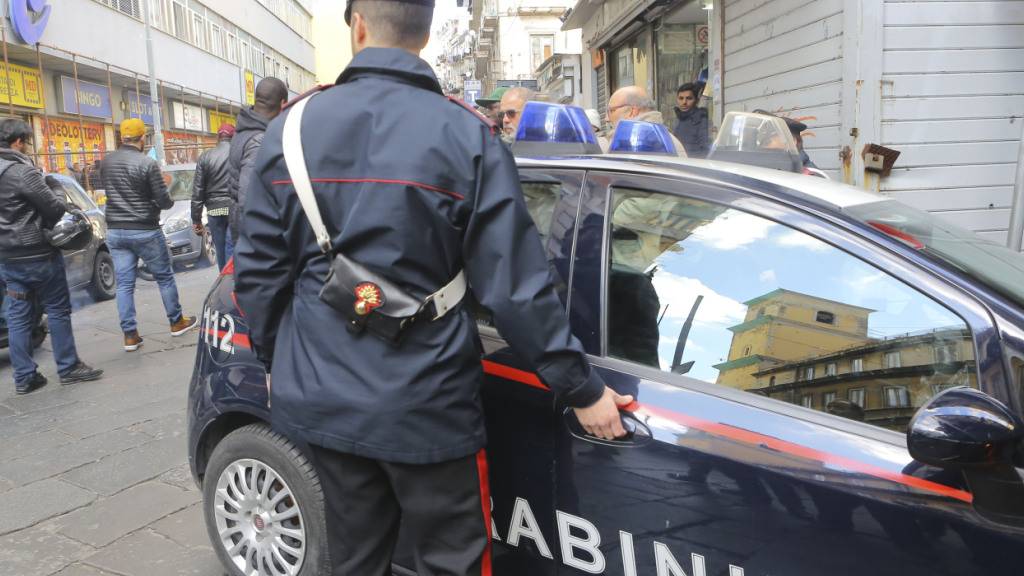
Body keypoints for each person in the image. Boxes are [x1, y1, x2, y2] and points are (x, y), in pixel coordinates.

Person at [234, 0, 631, 573]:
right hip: (429, 402)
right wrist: (580, 387)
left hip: (323, 397)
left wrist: (281, 364)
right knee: (451, 561)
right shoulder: (466, 134)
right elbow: (515, 288)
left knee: (352, 558)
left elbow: (260, 277)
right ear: (423, 36)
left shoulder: (289, 131)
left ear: (359, 24)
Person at [0, 119, 103, 394]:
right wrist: (55, 187)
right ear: (18, 142)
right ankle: (68, 367)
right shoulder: (22, 172)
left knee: (18, 315)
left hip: (8, 258)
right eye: (28, 142)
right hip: (37, 254)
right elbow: (55, 210)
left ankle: (24, 377)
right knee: (57, 308)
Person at [100, 118, 198, 352]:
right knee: (164, 277)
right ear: (142, 138)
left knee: (124, 284)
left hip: (115, 230)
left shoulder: (106, 162)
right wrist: (167, 195)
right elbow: (164, 201)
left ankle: (130, 336)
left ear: (122, 137)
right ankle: (176, 322)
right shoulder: (147, 163)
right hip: (144, 229)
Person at [229, 77, 288, 243]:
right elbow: (247, 196)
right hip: (254, 231)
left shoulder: (243, 130)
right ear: (283, 104)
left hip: (238, 223)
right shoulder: (259, 139)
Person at [191, 123, 235, 270]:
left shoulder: (205, 157)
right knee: (233, 246)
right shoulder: (239, 153)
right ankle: (233, 281)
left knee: (220, 249)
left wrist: (196, 219)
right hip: (234, 207)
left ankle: (223, 279)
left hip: (214, 211)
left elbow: (198, 190)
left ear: (218, 137)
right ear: (233, 136)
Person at [606, 86, 687, 157]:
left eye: (611, 111)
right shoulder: (668, 140)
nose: (607, 119)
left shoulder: (630, 143)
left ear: (632, 111)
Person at [672, 82, 709, 158]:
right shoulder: (678, 118)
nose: (684, 102)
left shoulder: (701, 119)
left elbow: (704, 150)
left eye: (689, 98)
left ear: (696, 100)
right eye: (681, 98)